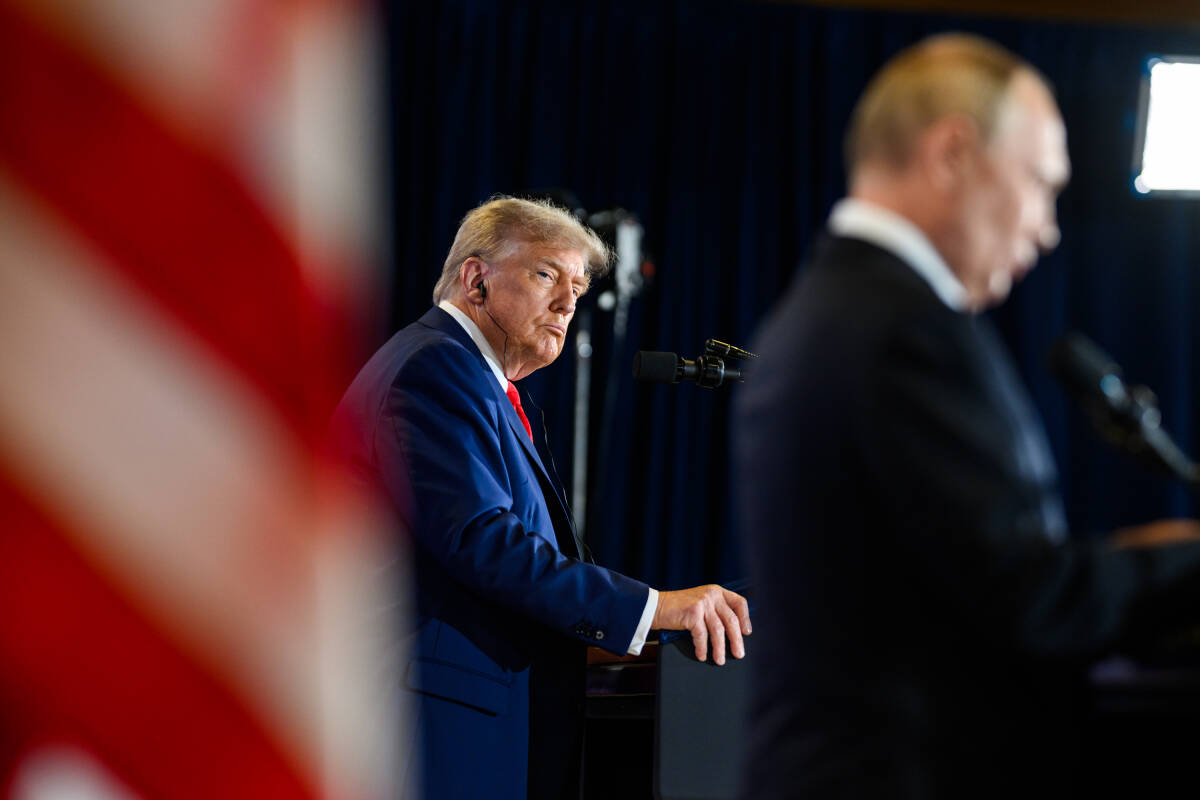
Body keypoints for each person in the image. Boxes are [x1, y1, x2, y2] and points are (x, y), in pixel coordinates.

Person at [734, 34, 1200, 799]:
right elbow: (1030, 601)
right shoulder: (901, 330)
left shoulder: (830, 308)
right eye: (1040, 184)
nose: (1046, 228)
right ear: (952, 154)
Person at [332, 196, 751, 800]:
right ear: (476, 280)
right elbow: (485, 543)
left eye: (577, 289)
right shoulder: (435, 368)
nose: (566, 304)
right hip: (435, 734)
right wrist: (654, 609)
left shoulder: (480, 383)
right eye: (547, 275)